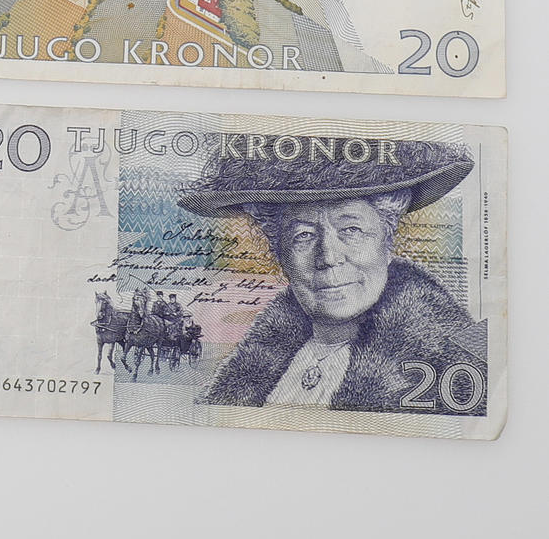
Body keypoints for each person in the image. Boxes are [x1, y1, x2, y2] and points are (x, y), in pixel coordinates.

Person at [177, 135, 484, 414]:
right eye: (303, 235)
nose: (328, 257)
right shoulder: (255, 366)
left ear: (387, 241)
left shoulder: (454, 364)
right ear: (280, 255)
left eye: (351, 230)